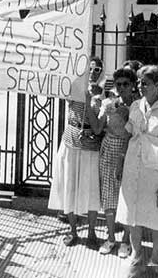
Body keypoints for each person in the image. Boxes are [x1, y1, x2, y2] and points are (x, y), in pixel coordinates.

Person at [116, 65, 158, 272]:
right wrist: (120, 160)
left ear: (157, 85)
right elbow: (128, 134)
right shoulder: (136, 105)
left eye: (144, 83)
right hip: (133, 165)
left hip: (157, 169)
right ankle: (137, 257)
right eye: (138, 82)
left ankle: (155, 258)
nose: (140, 86)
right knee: (133, 212)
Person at [48, 57, 104, 249]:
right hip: (71, 141)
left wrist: (92, 99)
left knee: (90, 188)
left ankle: (91, 232)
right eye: (91, 69)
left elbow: (99, 122)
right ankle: (72, 230)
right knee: (69, 185)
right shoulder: (74, 88)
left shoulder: (103, 94)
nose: (94, 73)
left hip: (90, 144)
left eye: (98, 70)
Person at [87, 67, 137, 256]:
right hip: (109, 149)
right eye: (119, 84)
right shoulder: (109, 102)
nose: (122, 87)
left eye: (126, 84)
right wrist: (95, 107)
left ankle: (125, 240)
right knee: (108, 194)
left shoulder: (139, 106)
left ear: (132, 85)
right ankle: (110, 238)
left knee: (127, 194)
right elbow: (98, 128)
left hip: (130, 151)